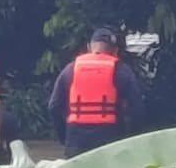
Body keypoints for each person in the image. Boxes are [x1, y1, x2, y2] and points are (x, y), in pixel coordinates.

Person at [48, 27, 145, 158]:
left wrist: (64, 137)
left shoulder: (70, 69)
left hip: (76, 140)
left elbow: (53, 107)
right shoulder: (121, 70)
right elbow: (137, 108)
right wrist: (129, 137)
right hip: (109, 139)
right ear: (115, 51)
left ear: (89, 47)